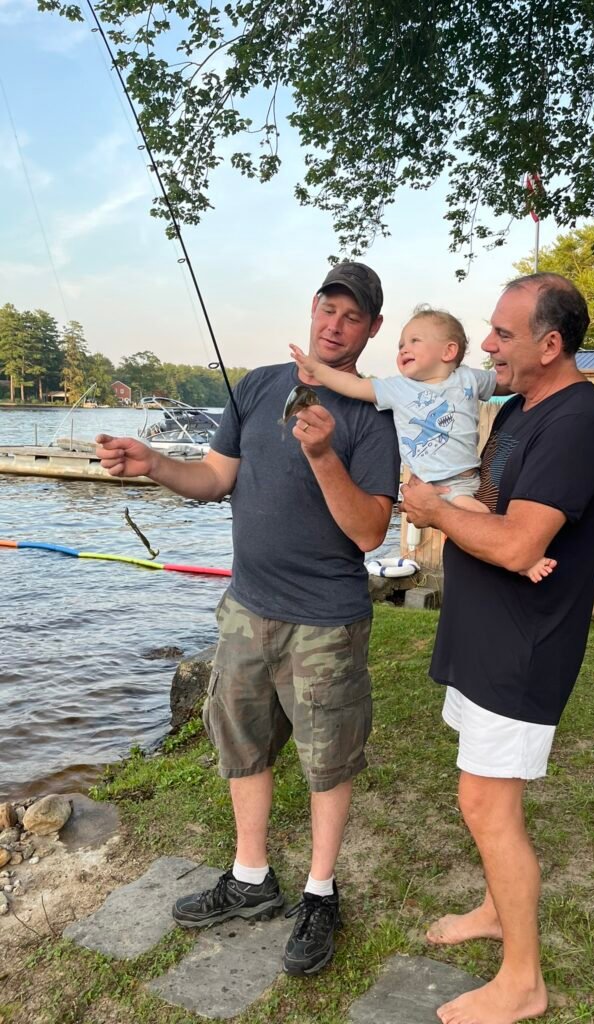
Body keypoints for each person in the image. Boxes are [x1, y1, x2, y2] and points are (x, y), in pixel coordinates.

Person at [95, 261, 400, 978]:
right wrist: (155, 464)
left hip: (326, 620)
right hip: (246, 609)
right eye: (328, 308)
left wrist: (323, 454)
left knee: (328, 760)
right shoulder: (259, 386)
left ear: (372, 330)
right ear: (313, 310)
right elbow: (216, 478)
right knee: (243, 745)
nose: (334, 324)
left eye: (352, 316)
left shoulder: (374, 415)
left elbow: (368, 534)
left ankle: (321, 892)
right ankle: (251, 876)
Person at [400, 273, 594, 1024]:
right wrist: (445, 504)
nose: (487, 345)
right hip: (484, 634)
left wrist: (434, 511)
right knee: (484, 798)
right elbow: (494, 509)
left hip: (525, 646)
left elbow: (520, 541)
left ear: (551, 344)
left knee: (486, 806)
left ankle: (523, 982)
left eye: (502, 333)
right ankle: (498, 911)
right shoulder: (521, 411)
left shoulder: (578, 424)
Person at [290, 305, 555, 584]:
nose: (403, 349)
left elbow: (509, 381)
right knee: (477, 515)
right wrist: (317, 369)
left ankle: (523, 557)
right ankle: (524, 562)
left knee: (485, 521)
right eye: (401, 345)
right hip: (434, 488)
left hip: (466, 480)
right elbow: (352, 385)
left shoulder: (468, 378)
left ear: (448, 352)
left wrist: (540, 375)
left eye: (414, 341)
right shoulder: (398, 388)